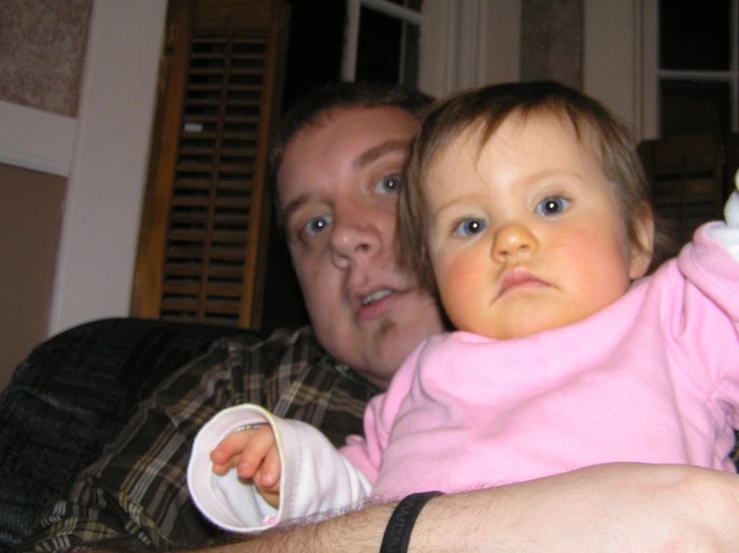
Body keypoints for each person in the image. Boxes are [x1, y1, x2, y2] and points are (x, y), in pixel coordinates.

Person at [15, 81, 739, 553]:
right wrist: (285, 465)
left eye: (388, 182)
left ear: (637, 237)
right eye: (312, 223)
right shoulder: (245, 380)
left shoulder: (674, 313)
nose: (347, 238)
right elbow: (348, 483)